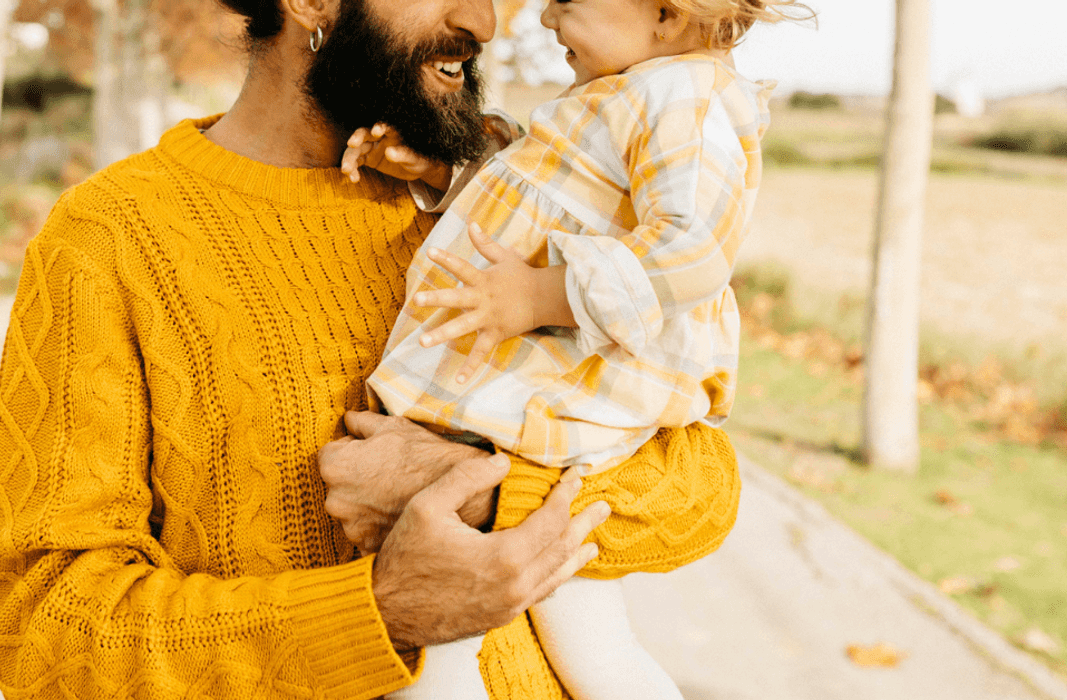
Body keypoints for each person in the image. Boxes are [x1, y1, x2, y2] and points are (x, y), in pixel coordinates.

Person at [0, 0, 744, 697]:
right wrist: (380, 609)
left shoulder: (499, 207)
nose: (485, 22)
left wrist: (483, 493)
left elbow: (705, 488)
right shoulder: (113, 238)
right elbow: (47, 636)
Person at [340, 0, 805, 698]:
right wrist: (435, 171)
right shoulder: (627, 91)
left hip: (550, 397)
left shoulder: (684, 99)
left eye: (566, 1)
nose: (542, 19)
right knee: (594, 646)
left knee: (440, 643)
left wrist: (538, 298)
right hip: (542, 404)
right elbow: (534, 199)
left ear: (666, 16)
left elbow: (694, 252)